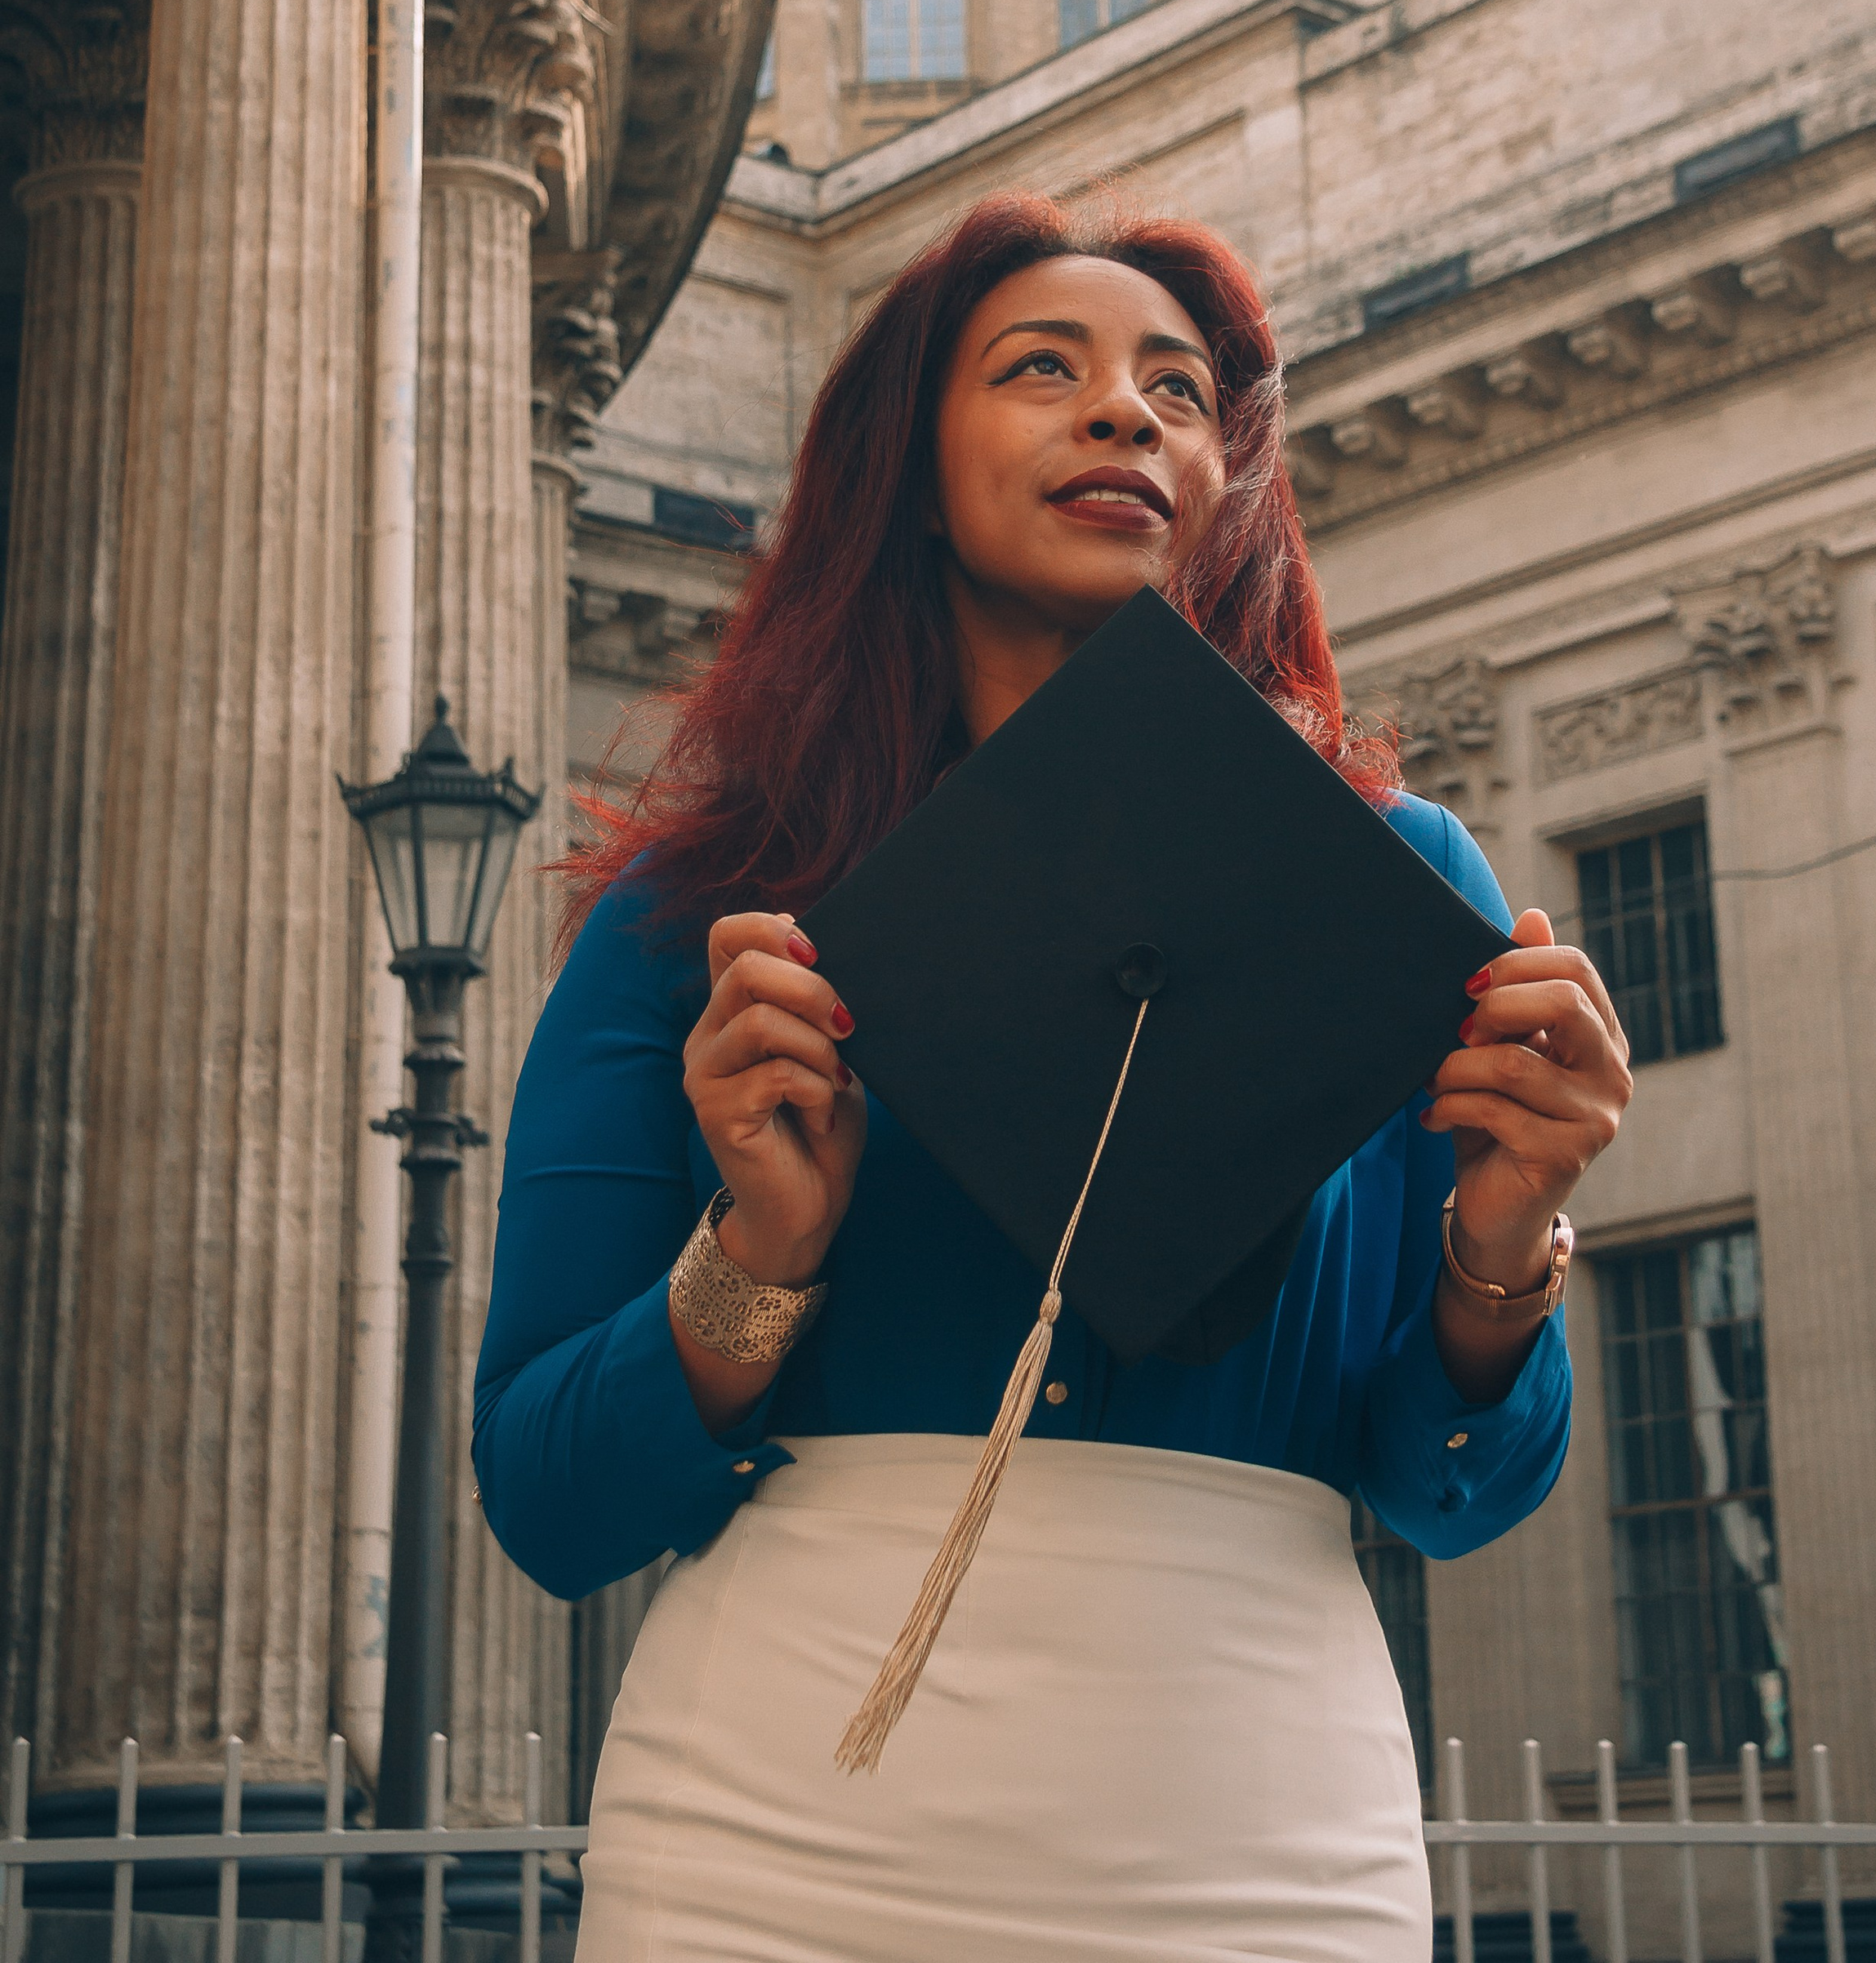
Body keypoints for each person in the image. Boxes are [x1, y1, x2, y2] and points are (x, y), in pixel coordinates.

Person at [475, 192, 1632, 1963]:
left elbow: (1447, 1486)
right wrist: (758, 1259)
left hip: (1255, 1826)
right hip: (781, 1832)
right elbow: (551, 1504)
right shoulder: (699, 922)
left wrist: (1505, 1242)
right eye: (1044, 371)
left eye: (1178, 394)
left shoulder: (1396, 887)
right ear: (903, 466)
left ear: (1223, 483)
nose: (1127, 416)